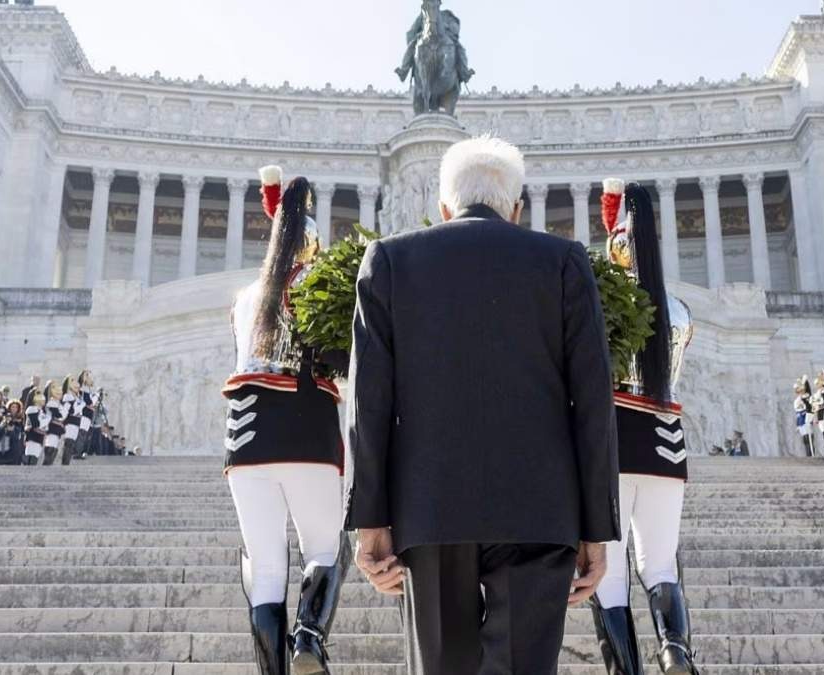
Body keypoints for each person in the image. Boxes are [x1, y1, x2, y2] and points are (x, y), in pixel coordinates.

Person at [347, 137, 620, 674]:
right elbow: (593, 404)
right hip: (539, 511)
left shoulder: (390, 260)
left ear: (444, 208)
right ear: (516, 210)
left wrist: (370, 520)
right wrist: (596, 526)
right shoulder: (564, 262)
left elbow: (369, 403)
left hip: (430, 507)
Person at [221, 167, 350, 675]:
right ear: (312, 248)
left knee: (265, 566)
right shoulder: (319, 289)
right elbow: (340, 361)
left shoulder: (244, 299)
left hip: (245, 442)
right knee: (325, 546)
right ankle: (310, 638)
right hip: (306, 433)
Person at [592, 180, 699, 675]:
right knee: (660, 565)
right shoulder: (678, 312)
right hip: (665, 447)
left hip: (612, 449)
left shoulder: (602, 309)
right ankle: (674, 649)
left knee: (609, 577)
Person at [0, 398, 26, 466]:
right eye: (12, 407)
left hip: (13, 452)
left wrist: (12, 430)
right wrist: (3, 426)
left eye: (16, 407)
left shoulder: (20, 422)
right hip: (0, 450)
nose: (14, 409)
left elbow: (19, 437)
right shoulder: (2, 421)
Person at [60, 375, 84, 465]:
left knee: (71, 444)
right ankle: (65, 464)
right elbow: (70, 411)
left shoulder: (76, 398)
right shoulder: (68, 397)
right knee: (68, 443)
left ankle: (66, 463)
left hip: (76, 423)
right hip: (70, 423)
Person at [42, 380, 65, 466]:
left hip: (56, 428)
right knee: (51, 447)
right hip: (51, 427)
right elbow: (58, 416)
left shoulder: (56, 402)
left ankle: (49, 466)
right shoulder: (50, 402)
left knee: (54, 448)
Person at [23, 390, 48, 466]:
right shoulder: (32, 409)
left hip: (39, 437)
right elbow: (35, 425)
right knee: (30, 459)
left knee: (35, 458)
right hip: (32, 437)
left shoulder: (41, 411)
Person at [793, 376, 815, 458]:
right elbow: (797, 413)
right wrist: (798, 424)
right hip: (801, 421)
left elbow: (810, 407)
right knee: (805, 439)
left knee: (809, 437)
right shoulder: (796, 401)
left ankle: (811, 454)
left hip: (807, 418)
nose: (800, 393)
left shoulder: (807, 397)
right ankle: (808, 454)